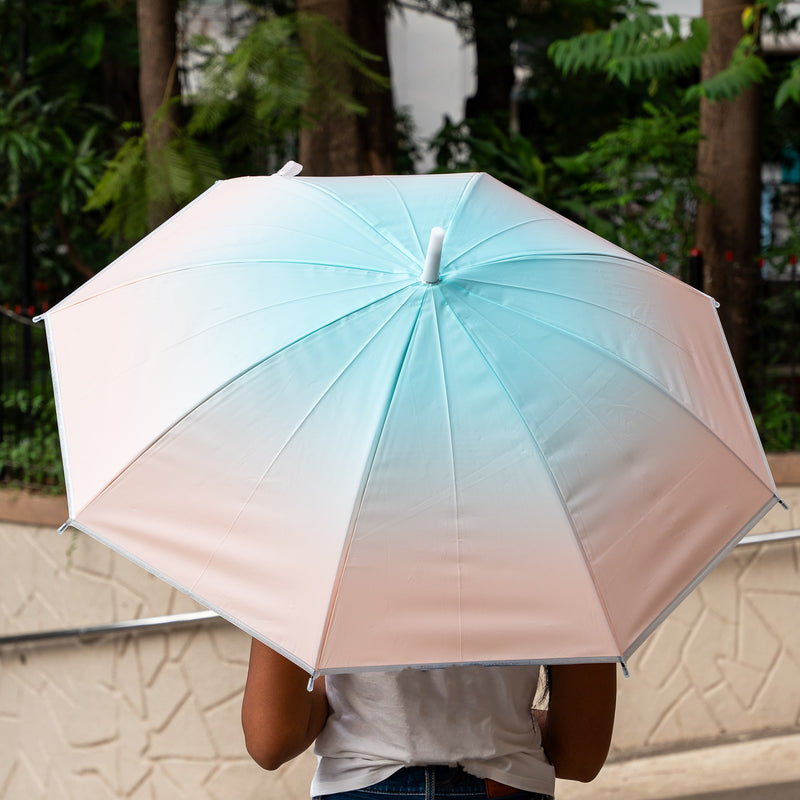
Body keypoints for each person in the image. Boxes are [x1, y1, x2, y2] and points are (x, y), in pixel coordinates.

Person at [241, 639, 617, 800]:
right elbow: (579, 754)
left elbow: (271, 739)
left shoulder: (322, 520)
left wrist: (346, 696)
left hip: (362, 785)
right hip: (503, 786)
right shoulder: (548, 526)